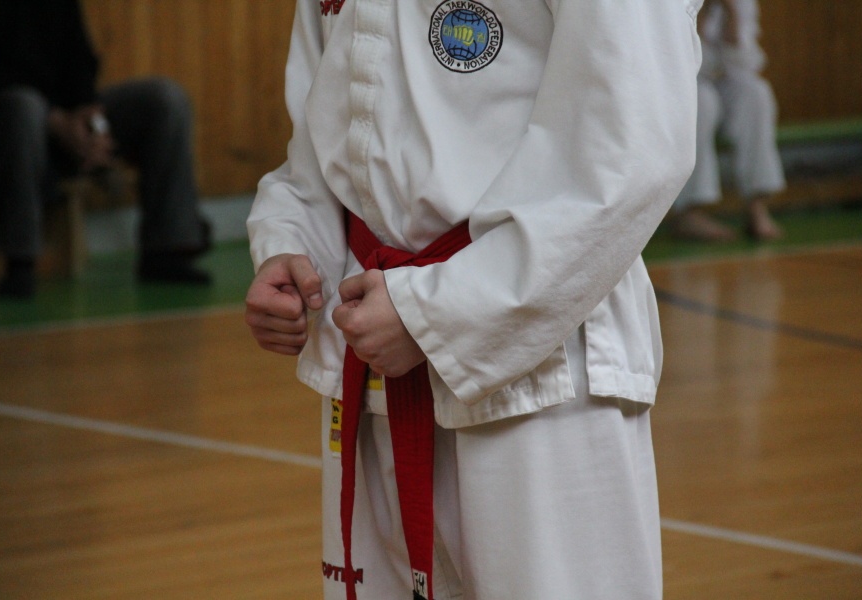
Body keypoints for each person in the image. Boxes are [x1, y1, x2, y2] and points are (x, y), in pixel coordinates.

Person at [245, 1, 701, 599]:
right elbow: (325, 131)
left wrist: (434, 313)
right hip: (375, 339)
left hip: (541, 366)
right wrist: (292, 241)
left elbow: (635, 145)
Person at [0, 0, 211, 299]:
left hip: (62, 121)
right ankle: (20, 261)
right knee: (23, 108)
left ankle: (168, 249)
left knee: (164, 99)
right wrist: (54, 119)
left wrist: (92, 121)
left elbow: (78, 58)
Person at [670, 0, 785, 242]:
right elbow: (680, 60)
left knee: (756, 93)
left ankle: (756, 204)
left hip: (724, 79)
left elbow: (748, 61)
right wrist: (703, 14)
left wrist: (731, 15)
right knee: (702, 101)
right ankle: (691, 211)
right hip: (681, 85)